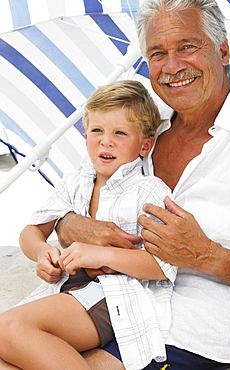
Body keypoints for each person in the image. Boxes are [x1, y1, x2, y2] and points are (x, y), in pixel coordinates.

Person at [12, 0, 230, 368]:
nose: (172, 66)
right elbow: (81, 195)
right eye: (157, 53)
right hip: (110, 297)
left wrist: (208, 256)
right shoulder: (139, 125)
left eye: (187, 46)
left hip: (194, 324)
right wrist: (70, 225)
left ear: (223, 50)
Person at [0, 80, 177, 370]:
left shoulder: (149, 192)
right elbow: (31, 231)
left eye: (120, 133)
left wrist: (102, 255)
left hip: (113, 297)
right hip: (70, 290)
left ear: (145, 144)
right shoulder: (75, 183)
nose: (106, 141)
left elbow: (165, 264)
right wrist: (42, 252)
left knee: (9, 327)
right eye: (97, 131)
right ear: (85, 136)